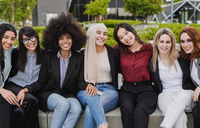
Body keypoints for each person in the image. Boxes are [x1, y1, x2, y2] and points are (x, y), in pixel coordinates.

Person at [17, 12, 86, 128]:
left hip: (68, 94)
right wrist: (25, 90)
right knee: (62, 104)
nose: (65, 41)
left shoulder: (79, 58)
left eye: (68, 37)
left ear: (74, 38)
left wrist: (89, 85)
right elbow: (41, 81)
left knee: (77, 109)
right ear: (56, 41)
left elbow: (80, 81)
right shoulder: (49, 56)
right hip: (49, 93)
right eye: (61, 38)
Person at [113, 22, 157, 128]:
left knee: (140, 111)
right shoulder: (118, 50)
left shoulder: (149, 49)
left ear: (132, 31)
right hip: (127, 89)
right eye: (121, 37)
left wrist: (176, 52)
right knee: (126, 108)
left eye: (126, 33)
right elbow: (102, 51)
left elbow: (166, 50)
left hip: (146, 89)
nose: (126, 38)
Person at [77, 23, 120, 128]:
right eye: (98, 33)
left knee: (90, 109)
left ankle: (102, 124)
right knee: (92, 96)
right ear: (91, 34)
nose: (102, 36)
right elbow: (78, 79)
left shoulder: (113, 52)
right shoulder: (82, 54)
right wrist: (87, 85)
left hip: (109, 90)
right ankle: (103, 124)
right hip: (86, 90)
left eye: (105, 34)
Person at [151, 28, 195, 128]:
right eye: (161, 42)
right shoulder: (153, 61)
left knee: (182, 96)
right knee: (180, 117)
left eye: (168, 42)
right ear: (157, 43)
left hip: (185, 94)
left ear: (172, 43)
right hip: (166, 94)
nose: (164, 45)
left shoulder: (182, 57)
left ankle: (165, 126)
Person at [3, 26, 44, 128]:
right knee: (32, 101)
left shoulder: (44, 55)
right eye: (25, 40)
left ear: (36, 37)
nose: (29, 42)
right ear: (22, 42)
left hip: (31, 88)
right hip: (14, 86)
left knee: (19, 111)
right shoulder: (16, 53)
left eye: (32, 38)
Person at [179, 27, 200, 128]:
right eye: (182, 41)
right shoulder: (191, 58)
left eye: (189, 40)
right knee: (196, 111)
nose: (185, 45)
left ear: (196, 40)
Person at [0, 23, 17, 128]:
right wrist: (1, 90)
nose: (9, 42)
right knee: (5, 101)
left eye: (13, 39)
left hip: (3, 89)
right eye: (5, 37)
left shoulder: (11, 51)